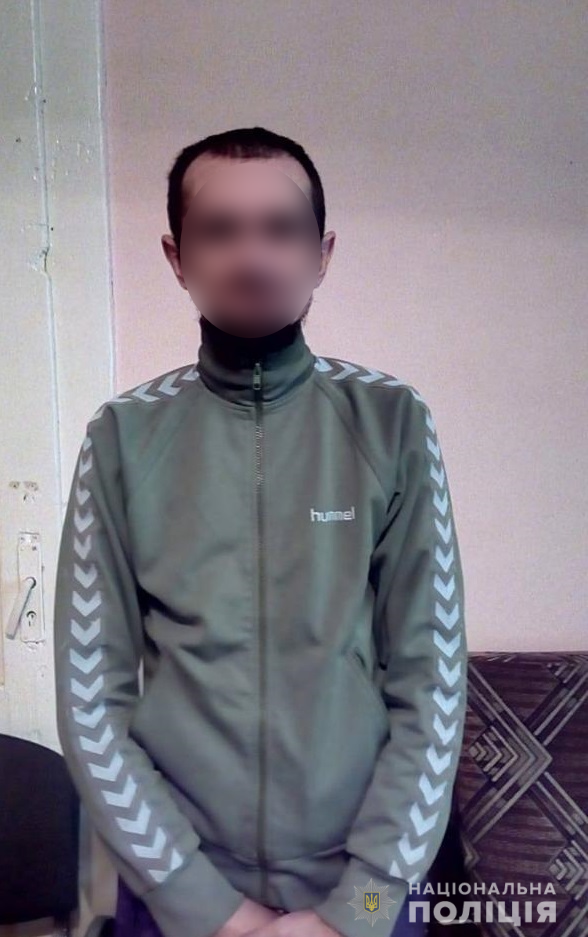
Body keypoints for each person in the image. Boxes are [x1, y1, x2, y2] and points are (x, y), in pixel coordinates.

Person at [53, 126, 467, 937]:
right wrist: (206, 908)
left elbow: (433, 682)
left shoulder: (391, 419)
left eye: (281, 228)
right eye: (220, 230)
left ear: (322, 253)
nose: (253, 256)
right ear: (177, 258)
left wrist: (359, 910)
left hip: (367, 894)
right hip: (179, 897)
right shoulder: (123, 434)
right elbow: (90, 698)